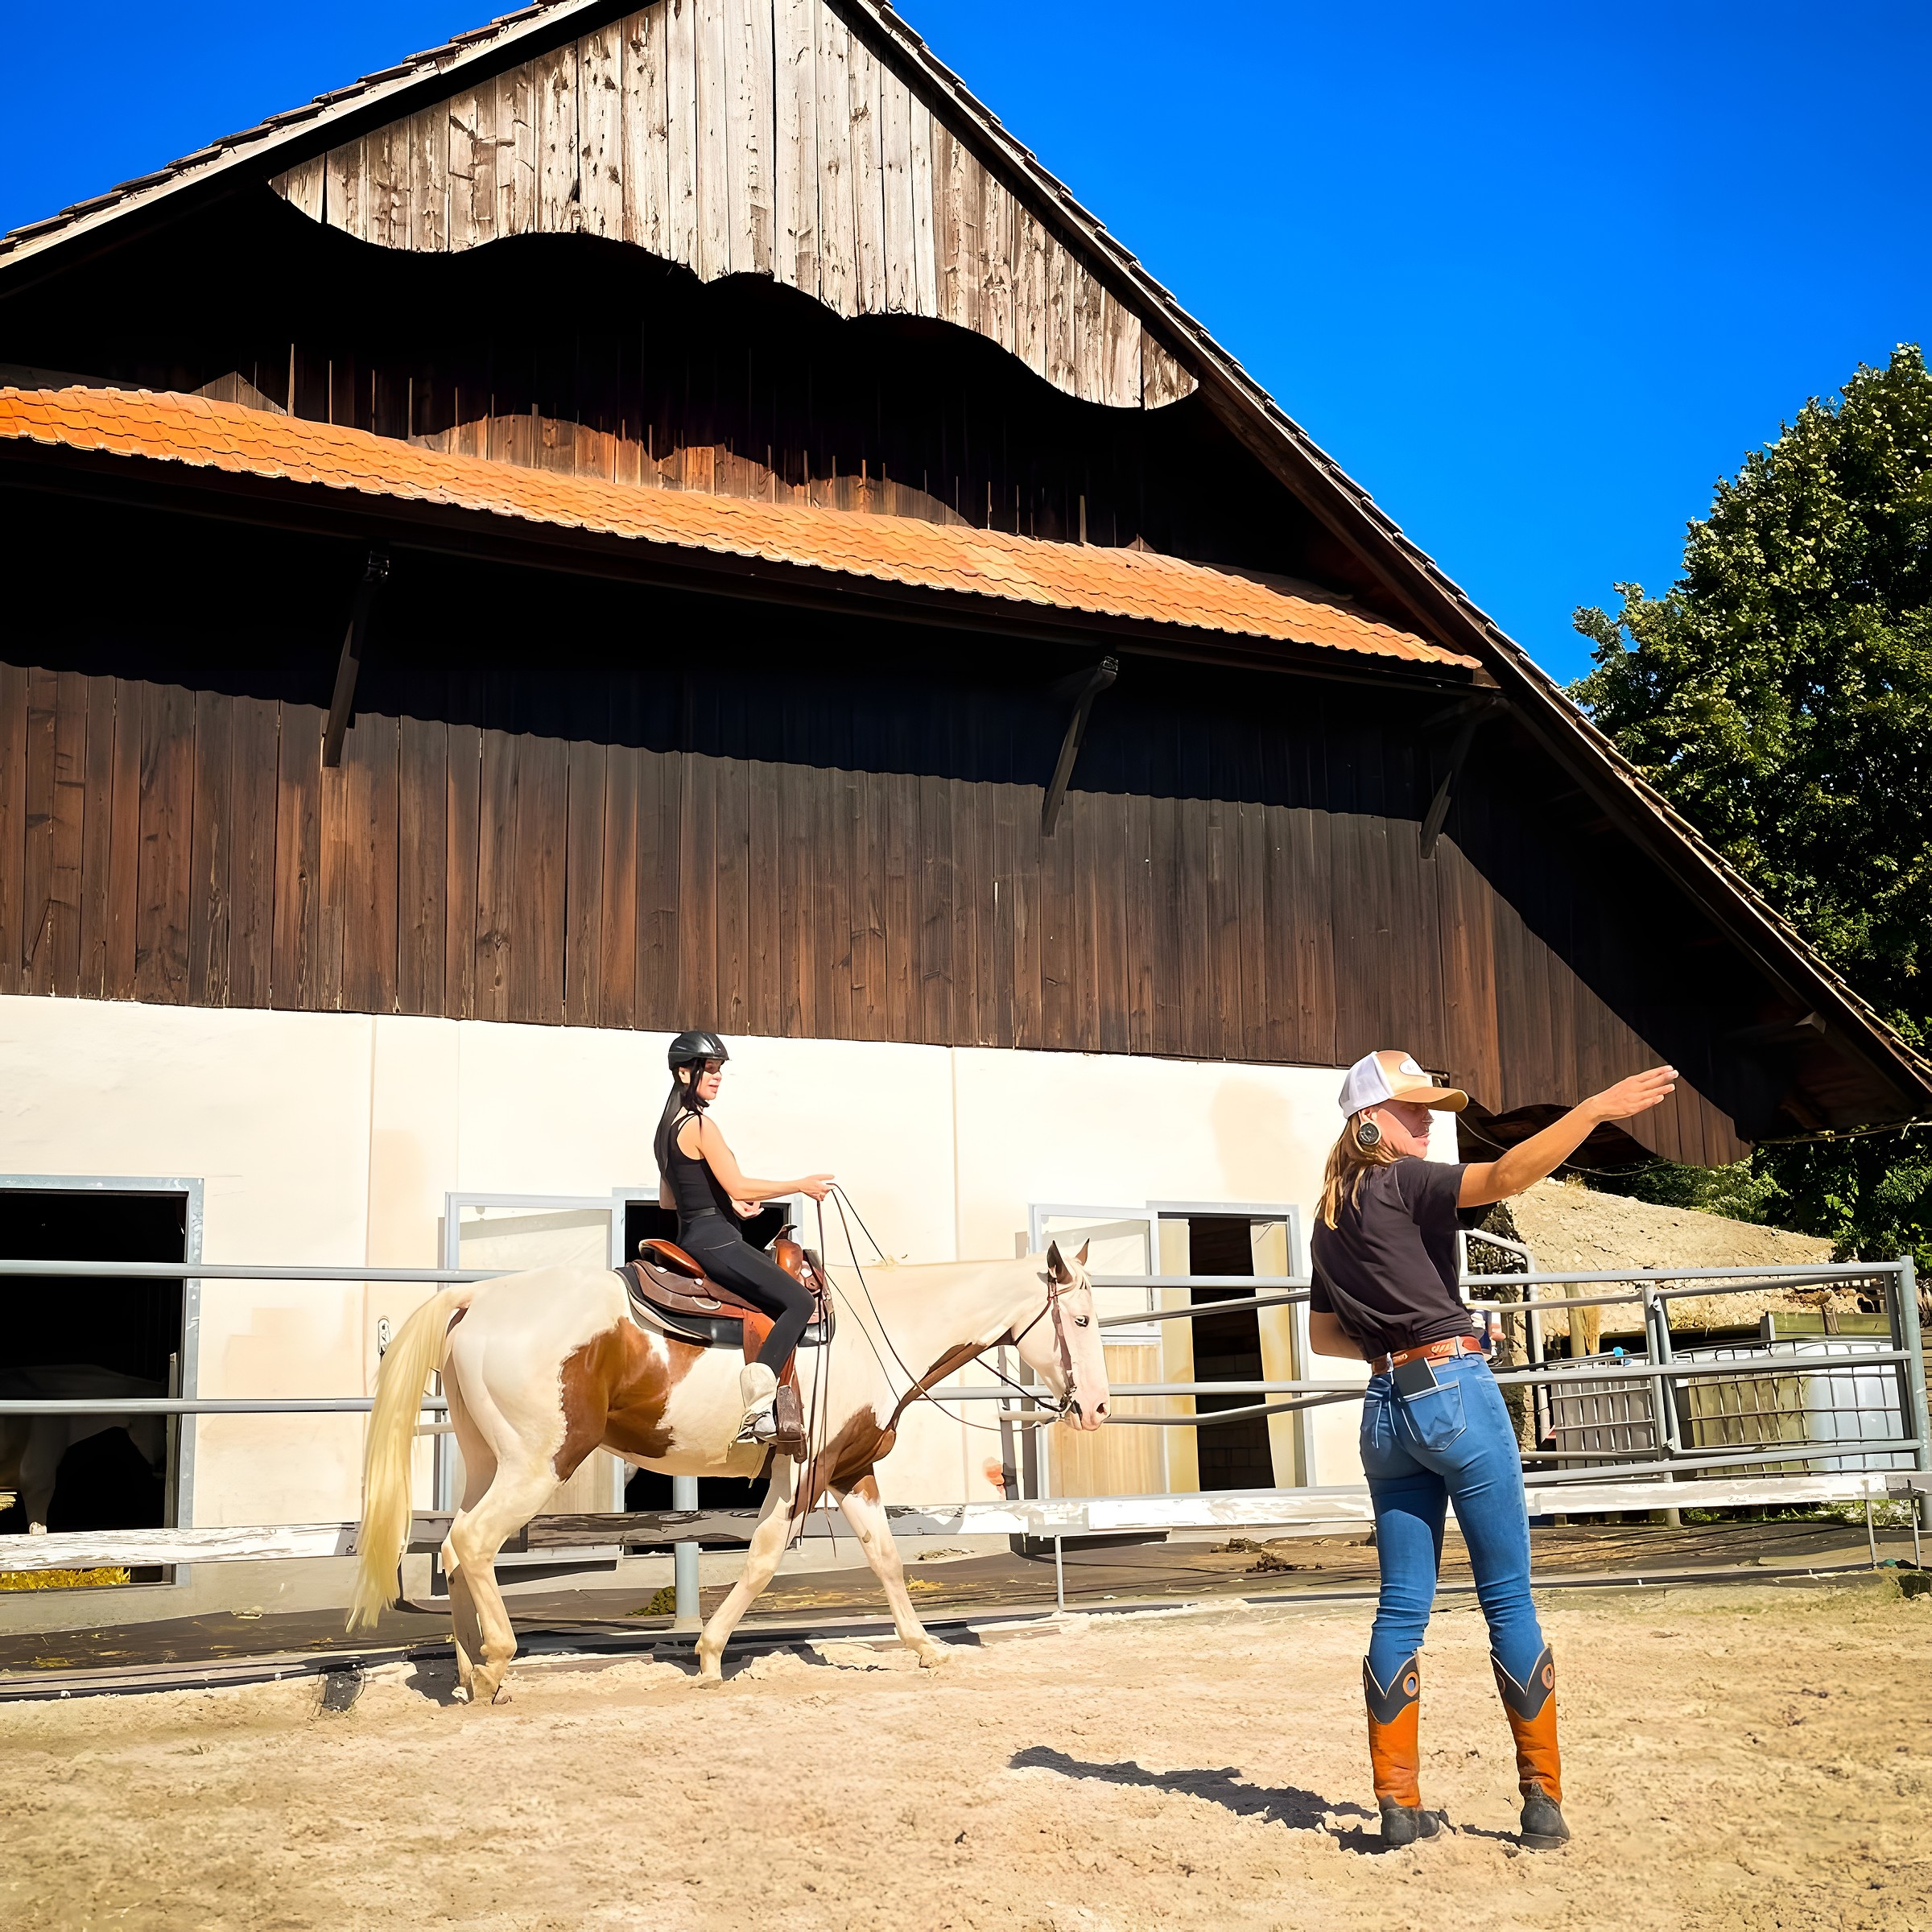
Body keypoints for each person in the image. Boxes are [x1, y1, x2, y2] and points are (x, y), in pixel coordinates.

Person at [1309, 1049, 1677, 1853]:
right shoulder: (1404, 1180)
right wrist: (1593, 1110)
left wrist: (1406, 1334)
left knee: (1401, 1608)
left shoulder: (1328, 1215)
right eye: (1412, 1111)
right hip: (1455, 1394)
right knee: (1507, 1600)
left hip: (1383, 1408)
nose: (1428, 1121)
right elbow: (1508, 1178)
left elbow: (1322, 1335)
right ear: (1367, 1122)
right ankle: (1541, 1802)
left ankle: (1397, 1805)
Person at [654, 1031, 836, 1443]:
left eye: (720, 1071)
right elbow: (737, 1184)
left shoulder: (665, 1130)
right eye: (710, 1070)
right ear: (685, 1072)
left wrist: (726, 1206)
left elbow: (670, 1200)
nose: (717, 1079)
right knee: (799, 1300)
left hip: (694, 1236)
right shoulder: (700, 1124)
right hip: (717, 1242)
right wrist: (798, 1184)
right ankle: (758, 1409)